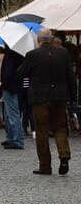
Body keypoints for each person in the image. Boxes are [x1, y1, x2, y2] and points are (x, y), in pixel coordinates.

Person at [18, 28, 76, 175]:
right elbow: (71, 76)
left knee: (42, 130)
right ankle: (64, 155)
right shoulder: (63, 53)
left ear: (38, 40)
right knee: (60, 127)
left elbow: (21, 72)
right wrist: (72, 98)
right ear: (51, 39)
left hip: (39, 98)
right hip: (59, 97)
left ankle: (45, 166)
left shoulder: (32, 55)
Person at [0, 47, 24, 149]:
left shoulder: (11, 54)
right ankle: (11, 137)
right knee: (8, 114)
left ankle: (17, 139)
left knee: (12, 114)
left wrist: (3, 83)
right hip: (13, 86)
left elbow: (8, 72)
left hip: (10, 87)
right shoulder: (17, 53)